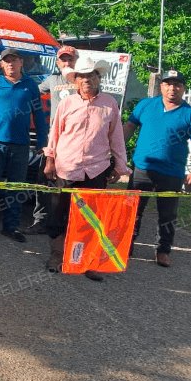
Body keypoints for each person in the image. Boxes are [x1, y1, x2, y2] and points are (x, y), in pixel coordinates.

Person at [43, 56, 131, 281]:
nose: (86, 80)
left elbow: (117, 138)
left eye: (91, 75)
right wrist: (50, 160)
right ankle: (56, 255)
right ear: (76, 80)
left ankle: (86, 261)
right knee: (57, 215)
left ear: (98, 78)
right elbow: (55, 133)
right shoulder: (67, 104)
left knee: (91, 218)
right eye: (82, 76)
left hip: (96, 170)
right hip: (66, 168)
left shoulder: (109, 104)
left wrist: (120, 166)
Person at [124, 69, 191, 268]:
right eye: (168, 84)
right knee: (132, 209)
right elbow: (128, 128)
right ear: (161, 86)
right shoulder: (146, 105)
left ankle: (163, 250)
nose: (172, 88)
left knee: (168, 215)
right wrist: (117, 154)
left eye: (177, 85)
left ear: (183, 89)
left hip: (172, 173)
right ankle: (126, 245)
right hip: (142, 168)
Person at [0, 48, 48, 243]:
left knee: (16, 188)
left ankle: (11, 226)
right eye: (6, 61)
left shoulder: (30, 85)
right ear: (1, 64)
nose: (10, 64)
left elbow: (39, 115)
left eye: (14, 60)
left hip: (21, 145)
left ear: (21, 63)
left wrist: (43, 140)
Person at [27, 45, 79, 234]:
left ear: (76, 61)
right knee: (43, 180)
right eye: (63, 59)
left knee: (70, 183)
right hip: (54, 139)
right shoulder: (51, 79)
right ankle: (40, 220)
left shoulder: (82, 80)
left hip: (75, 141)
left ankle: (67, 223)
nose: (67, 63)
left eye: (70, 59)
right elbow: (33, 92)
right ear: (57, 62)